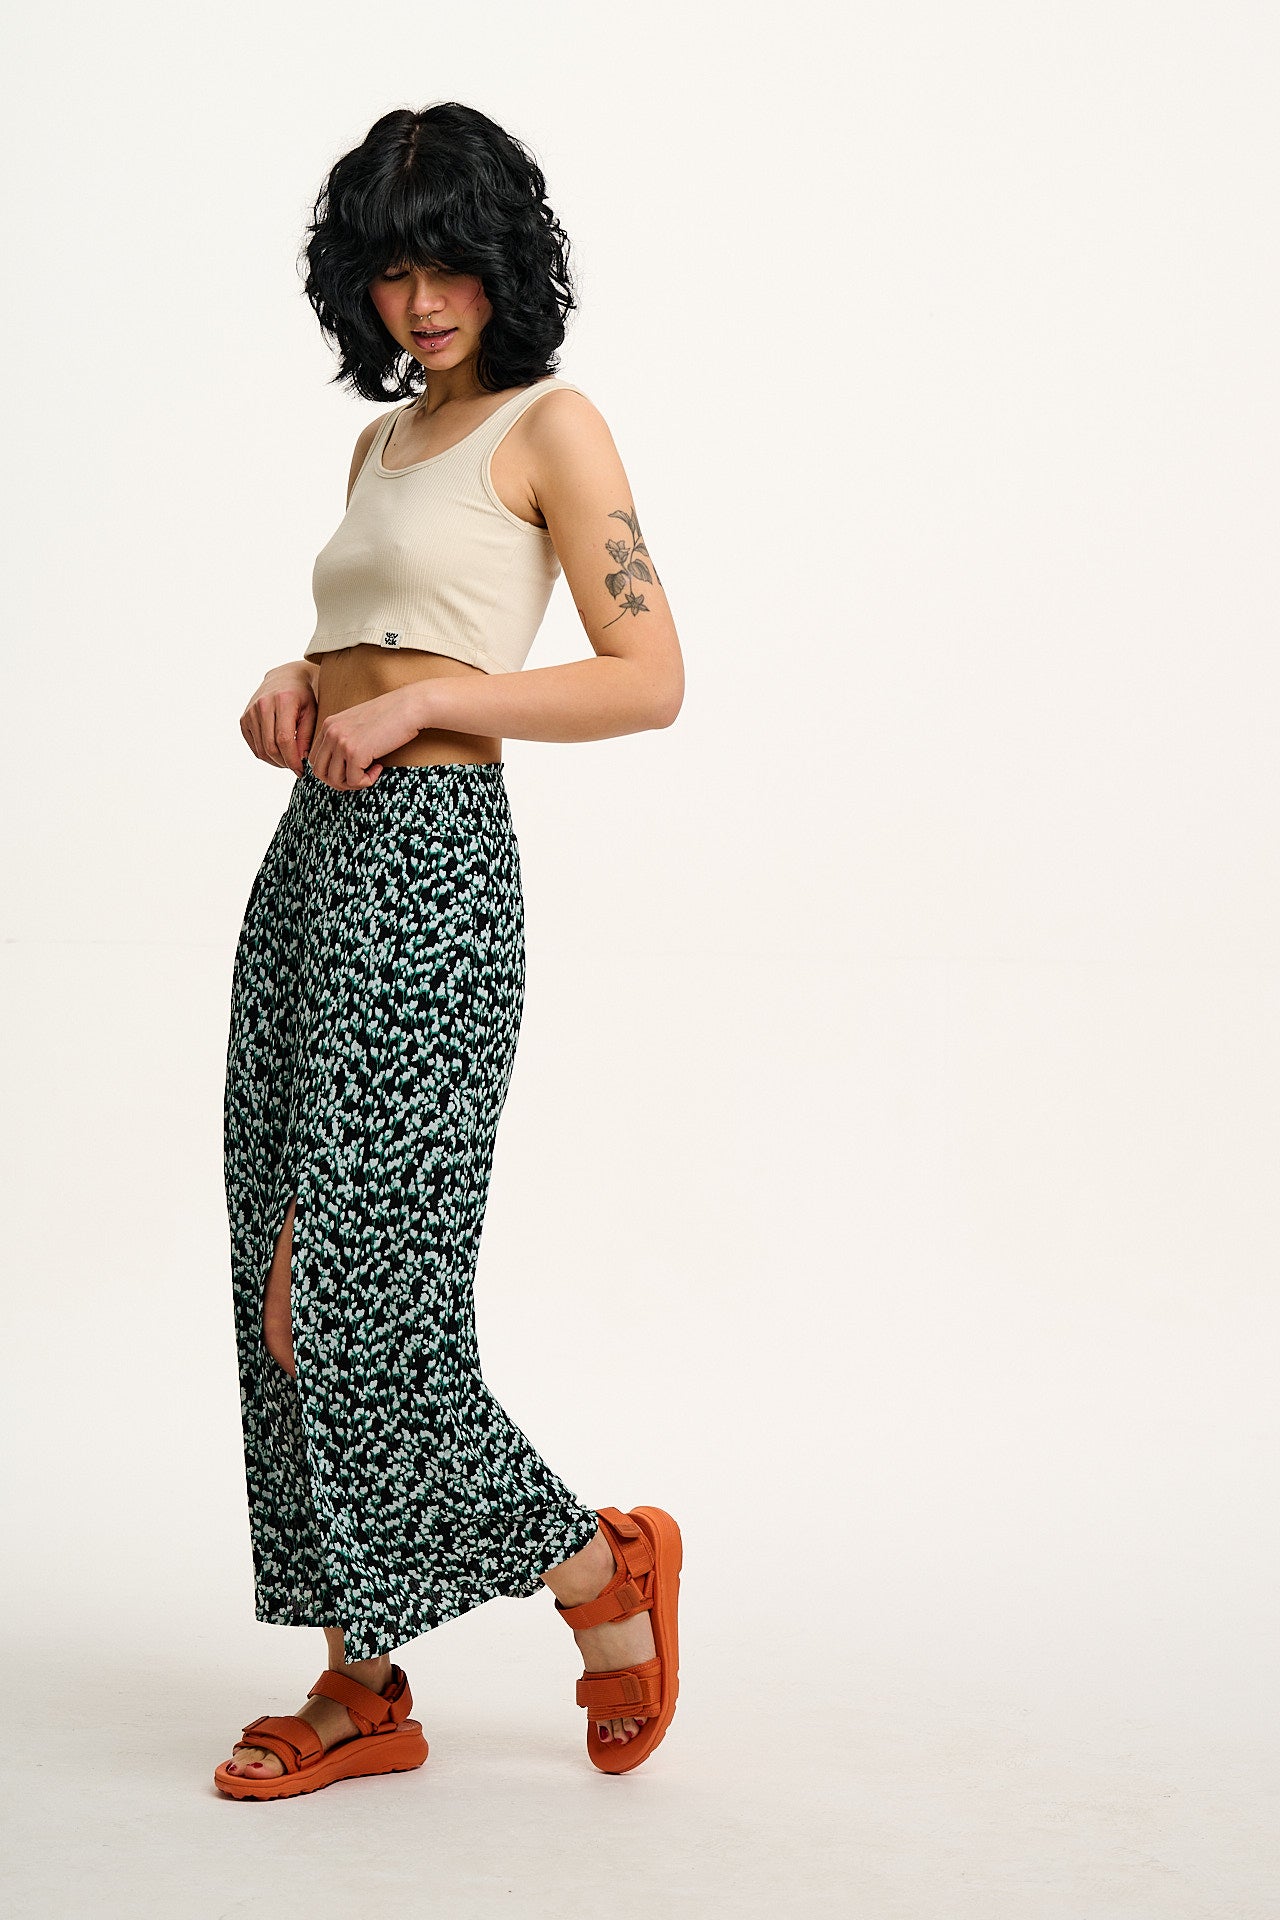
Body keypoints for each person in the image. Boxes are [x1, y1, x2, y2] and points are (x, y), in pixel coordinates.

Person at [213, 101, 686, 1801]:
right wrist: (300, 677)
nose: (420, 303)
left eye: (449, 267)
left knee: (347, 1295)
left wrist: (422, 702)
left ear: (504, 265)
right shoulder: (383, 449)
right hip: (314, 859)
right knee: (272, 1272)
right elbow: (371, 633)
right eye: (390, 271)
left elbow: (648, 676)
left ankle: (599, 1571)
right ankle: (362, 1682)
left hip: (429, 872)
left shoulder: (555, 427)